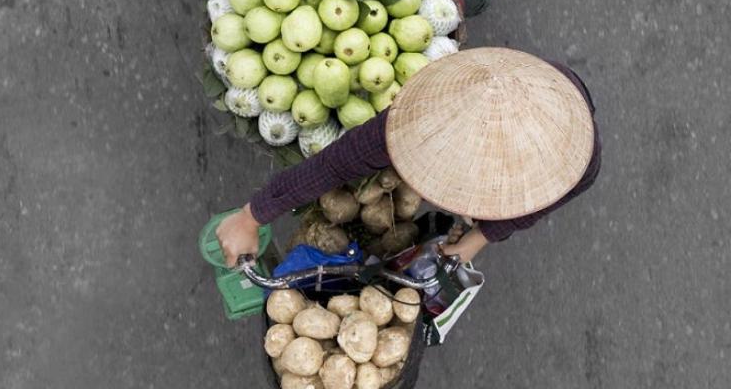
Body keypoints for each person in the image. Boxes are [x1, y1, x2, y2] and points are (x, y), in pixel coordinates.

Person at [216, 47, 601, 267]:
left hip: (556, 97)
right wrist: (252, 215)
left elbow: (531, 208)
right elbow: (332, 165)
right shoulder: (418, 119)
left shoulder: (576, 160)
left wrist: (481, 237)